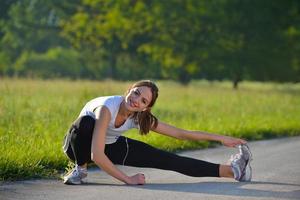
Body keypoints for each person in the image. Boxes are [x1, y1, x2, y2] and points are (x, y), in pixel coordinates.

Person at [62, 80, 252, 185]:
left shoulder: (139, 117)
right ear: (129, 90)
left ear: (145, 108)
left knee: (166, 159)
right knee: (86, 123)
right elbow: (97, 154)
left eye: (144, 101)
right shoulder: (107, 107)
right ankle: (81, 169)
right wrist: (129, 179)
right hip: (78, 147)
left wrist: (221, 138)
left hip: (109, 145)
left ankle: (233, 171)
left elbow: (182, 134)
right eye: (136, 92)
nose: (137, 100)